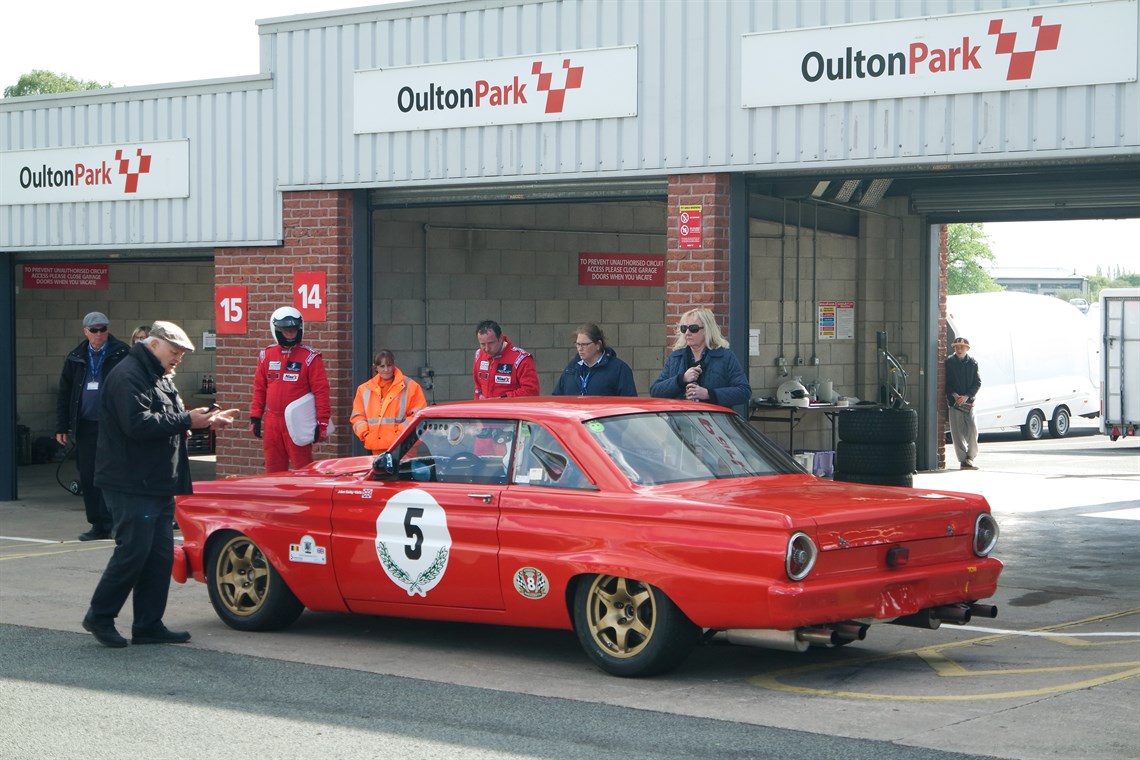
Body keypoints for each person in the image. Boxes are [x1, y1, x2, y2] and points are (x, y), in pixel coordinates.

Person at [82, 321, 239, 648]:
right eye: (175, 351)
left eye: (181, 352)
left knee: (158, 556)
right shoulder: (129, 375)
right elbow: (137, 424)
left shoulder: (155, 374)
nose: (179, 357)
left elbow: (166, 418)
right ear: (153, 345)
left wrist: (204, 420)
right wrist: (187, 420)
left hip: (155, 481)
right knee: (133, 552)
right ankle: (100, 615)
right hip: (131, 482)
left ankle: (148, 624)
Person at [55, 312, 130, 541]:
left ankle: (116, 521)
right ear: (85, 331)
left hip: (113, 426)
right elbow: (65, 393)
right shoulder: (75, 356)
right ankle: (98, 524)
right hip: (86, 426)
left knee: (114, 475)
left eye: (103, 328)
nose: (100, 334)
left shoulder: (122, 352)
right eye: (94, 330)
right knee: (89, 476)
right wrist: (61, 426)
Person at [250, 307, 332, 472]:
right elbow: (259, 388)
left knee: (302, 468)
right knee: (273, 469)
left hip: (297, 421)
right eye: (286, 330)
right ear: (277, 330)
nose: (290, 333)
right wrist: (255, 417)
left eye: (293, 329)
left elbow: (321, 392)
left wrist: (322, 422)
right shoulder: (266, 355)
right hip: (272, 420)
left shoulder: (311, 357)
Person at [650, 307, 752, 409]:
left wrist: (709, 394)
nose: (687, 333)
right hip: (681, 421)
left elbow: (744, 391)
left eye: (693, 328)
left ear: (707, 330)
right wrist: (681, 379)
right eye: (684, 328)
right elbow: (655, 391)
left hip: (714, 421)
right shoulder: (676, 357)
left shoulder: (725, 356)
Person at [350, 349, 428, 455]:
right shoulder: (364, 389)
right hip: (377, 448)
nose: (386, 369)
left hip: (404, 447)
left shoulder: (411, 387)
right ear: (375, 367)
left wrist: (399, 434)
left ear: (394, 365)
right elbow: (357, 417)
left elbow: (420, 416)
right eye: (382, 366)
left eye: (389, 365)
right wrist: (365, 433)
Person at [552, 323, 638, 397]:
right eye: (577, 344)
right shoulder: (571, 368)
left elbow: (629, 402)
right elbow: (557, 397)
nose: (580, 349)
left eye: (585, 345)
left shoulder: (619, 369)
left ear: (598, 345)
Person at [472, 320, 540, 399]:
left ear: (500, 338)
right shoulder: (479, 355)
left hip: (511, 410)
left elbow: (531, 391)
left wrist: (502, 399)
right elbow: (478, 387)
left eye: (491, 343)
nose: (487, 349)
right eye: (482, 344)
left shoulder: (521, 359)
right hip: (486, 410)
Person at [945, 336, 981, 470]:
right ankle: (963, 461)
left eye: (961, 347)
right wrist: (954, 395)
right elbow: (946, 382)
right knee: (957, 433)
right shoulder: (949, 362)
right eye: (956, 347)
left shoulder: (973, 363)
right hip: (954, 403)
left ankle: (970, 457)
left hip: (969, 403)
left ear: (967, 349)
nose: (958, 349)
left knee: (972, 429)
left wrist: (967, 396)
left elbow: (977, 383)